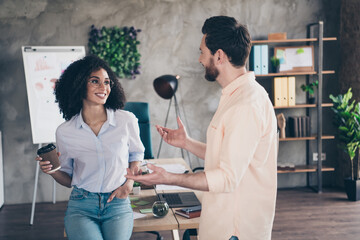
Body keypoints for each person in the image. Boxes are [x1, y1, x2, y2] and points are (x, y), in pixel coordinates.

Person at [126, 16, 278, 240]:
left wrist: (168, 178)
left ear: (219, 56)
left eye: (202, 51)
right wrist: (186, 143)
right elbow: (229, 156)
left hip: (234, 230)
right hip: (222, 222)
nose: (199, 59)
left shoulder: (246, 105)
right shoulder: (235, 96)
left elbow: (227, 178)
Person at [36, 55, 144, 240]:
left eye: (107, 82)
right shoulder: (65, 131)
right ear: (78, 84)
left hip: (117, 203)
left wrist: (129, 183)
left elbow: (136, 153)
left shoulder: (125, 120)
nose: (104, 88)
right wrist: (52, 171)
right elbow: (69, 179)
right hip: (81, 206)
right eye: (95, 81)